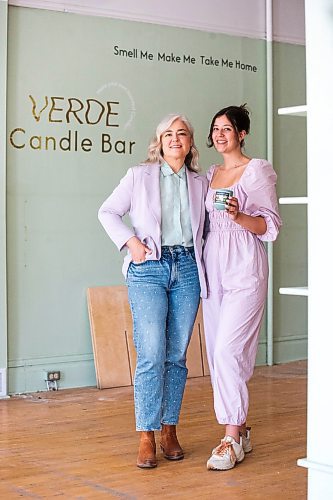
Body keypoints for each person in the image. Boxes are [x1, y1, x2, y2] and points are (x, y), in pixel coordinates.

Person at [98, 114, 208, 469]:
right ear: (158, 142)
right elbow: (108, 211)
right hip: (148, 268)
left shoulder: (201, 182)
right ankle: (146, 435)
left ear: (190, 142)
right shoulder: (138, 175)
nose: (175, 139)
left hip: (188, 268)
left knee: (176, 354)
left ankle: (169, 429)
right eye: (168, 134)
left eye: (182, 134)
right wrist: (130, 242)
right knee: (150, 352)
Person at [202, 104, 282, 471]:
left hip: (245, 269)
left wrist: (239, 215)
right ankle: (241, 429)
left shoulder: (257, 171)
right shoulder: (210, 173)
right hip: (213, 269)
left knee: (227, 352)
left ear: (242, 133)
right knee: (220, 353)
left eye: (227, 128)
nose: (220, 134)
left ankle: (230, 437)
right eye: (216, 128)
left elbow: (271, 227)